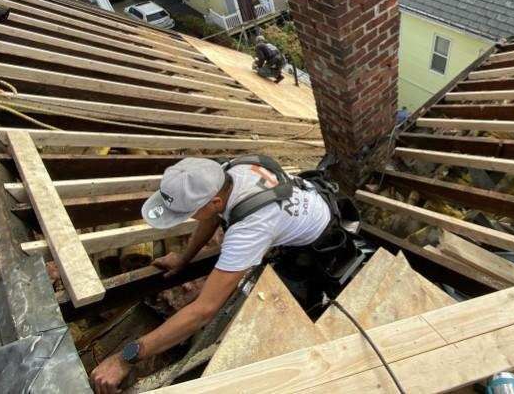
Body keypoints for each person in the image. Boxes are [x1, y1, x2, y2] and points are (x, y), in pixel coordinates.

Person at [89, 157, 332, 394]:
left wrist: (125, 358)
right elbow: (213, 215)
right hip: (299, 199)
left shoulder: (249, 229)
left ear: (214, 201)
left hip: (316, 242)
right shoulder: (225, 171)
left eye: (188, 213)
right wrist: (184, 258)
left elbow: (204, 310)